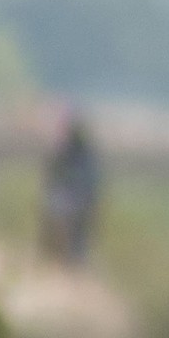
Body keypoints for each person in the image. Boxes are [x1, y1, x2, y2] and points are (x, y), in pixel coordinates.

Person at [40, 112, 101, 267]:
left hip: (78, 200)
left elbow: (89, 180)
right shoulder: (67, 151)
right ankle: (59, 260)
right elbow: (52, 175)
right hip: (71, 198)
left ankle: (72, 265)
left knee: (76, 235)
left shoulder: (82, 153)